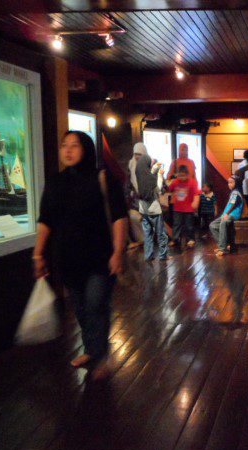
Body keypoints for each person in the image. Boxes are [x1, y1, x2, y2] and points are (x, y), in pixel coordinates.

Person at [33, 131, 128, 381]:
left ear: (86, 148)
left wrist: (118, 251)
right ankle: (91, 350)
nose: (68, 150)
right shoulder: (55, 182)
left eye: (74, 145)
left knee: (96, 304)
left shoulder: (103, 178)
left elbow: (119, 217)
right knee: (81, 308)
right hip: (68, 258)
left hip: (100, 256)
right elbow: (46, 220)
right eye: (64, 145)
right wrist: (38, 253)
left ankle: (101, 357)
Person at [136, 154, 169, 261]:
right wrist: (159, 174)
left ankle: (148, 255)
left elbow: (148, 178)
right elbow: (158, 189)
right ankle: (163, 255)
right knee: (161, 234)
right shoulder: (150, 179)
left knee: (148, 234)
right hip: (154, 210)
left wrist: (154, 169)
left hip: (143, 210)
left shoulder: (139, 174)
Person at [210, 175, 244, 257]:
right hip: (227, 214)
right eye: (228, 182)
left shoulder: (236, 192)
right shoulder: (233, 192)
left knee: (223, 223)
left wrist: (227, 214)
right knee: (213, 225)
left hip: (233, 214)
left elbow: (234, 204)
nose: (229, 184)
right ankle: (224, 245)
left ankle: (223, 249)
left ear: (236, 183)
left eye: (231, 182)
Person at [169, 165, 200, 248]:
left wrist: (195, 202)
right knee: (176, 224)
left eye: (183, 175)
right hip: (177, 208)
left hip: (188, 208)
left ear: (187, 174)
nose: (181, 178)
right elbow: (170, 188)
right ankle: (175, 239)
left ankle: (190, 239)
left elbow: (196, 194)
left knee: (189, 225)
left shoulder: (192, 182)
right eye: (180, 175)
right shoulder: (175, 181)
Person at [125, 142, 147, 248]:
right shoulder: (131, 166)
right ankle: (141, 239)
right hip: (135, 201)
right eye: (136, 154)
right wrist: (131, 193)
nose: (137, 156)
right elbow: (128, 184)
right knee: (133, 216)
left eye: (140, 154)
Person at [235, 150, 248, 214]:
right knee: (247, 197)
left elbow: (238, 174)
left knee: (246, 197)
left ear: (243, 156)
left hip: (245, 182)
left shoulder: (241, 164)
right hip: (247, 182)